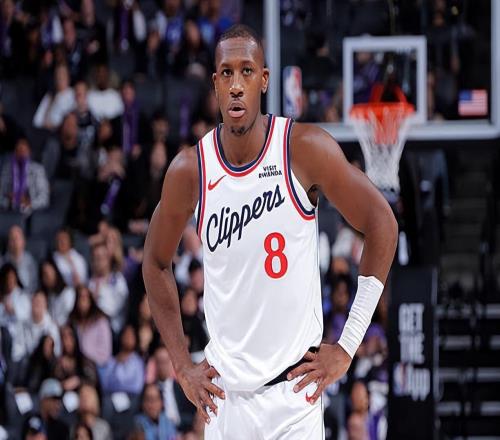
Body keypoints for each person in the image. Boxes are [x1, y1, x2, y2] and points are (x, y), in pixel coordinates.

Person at [143, 24, 398, 438]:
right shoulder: (190, 170)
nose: (236, 85)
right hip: (225, 403)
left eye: (246, 71)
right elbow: (155, 263)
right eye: (227, 73)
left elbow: (382, 223)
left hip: (293, 397)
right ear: (215, 83)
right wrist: (182, 366)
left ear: (263, 79)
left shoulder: (303, 148)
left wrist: (348, 345)